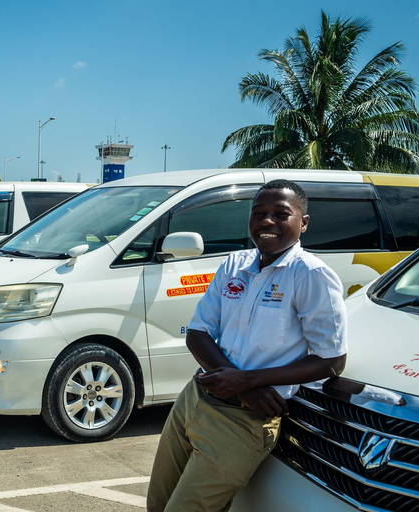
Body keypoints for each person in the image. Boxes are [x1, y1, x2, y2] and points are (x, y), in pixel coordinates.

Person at [146, 179, 348, 512]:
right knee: (158, 503)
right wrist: (242, 385)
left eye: (281, 214)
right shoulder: (233, 266)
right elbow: (197, 333)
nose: (267, 221)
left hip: (243, 423)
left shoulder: (311, 275)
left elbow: (332, 360)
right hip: (194, 399)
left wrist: (250, 384)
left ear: (304, 223)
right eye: (259, 213)